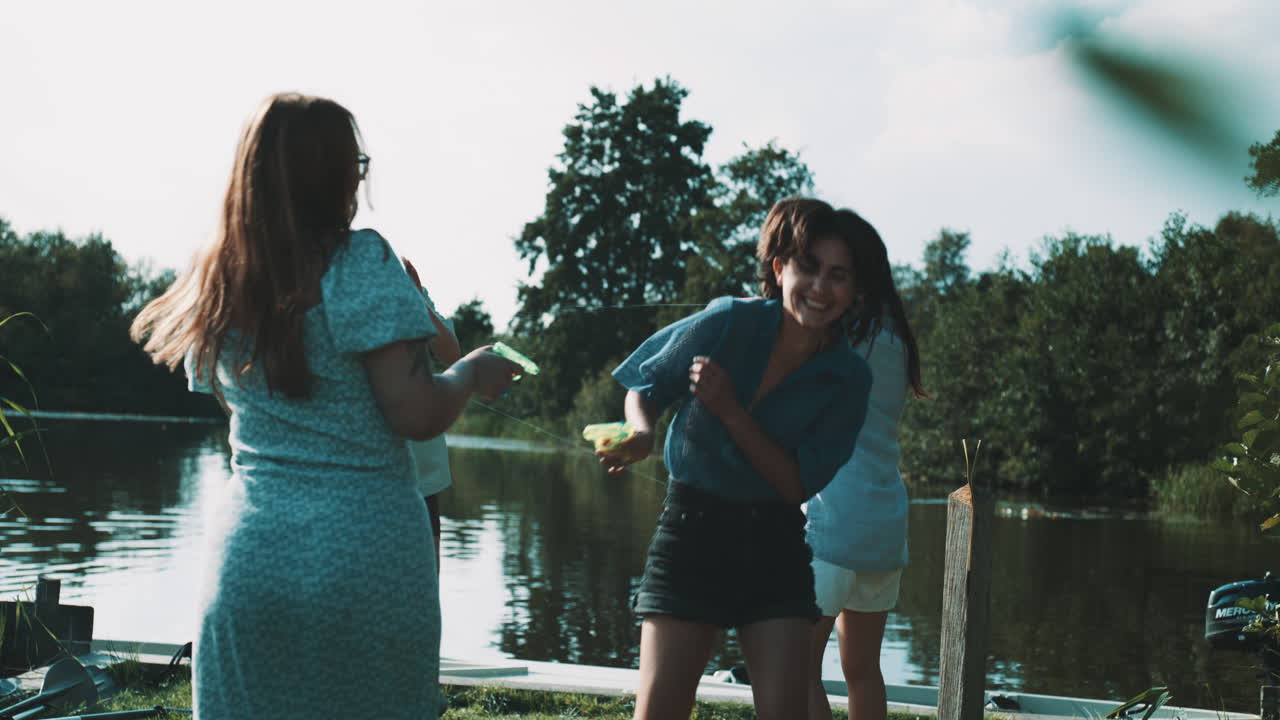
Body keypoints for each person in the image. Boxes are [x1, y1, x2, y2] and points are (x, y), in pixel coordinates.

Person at [129, 92, 519, 720]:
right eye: (356, 165)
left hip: (250, 560)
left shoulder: (226, 277)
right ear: (336, 176)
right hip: (367, 563)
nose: (360, 180)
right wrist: (470, 372)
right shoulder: (361, 261)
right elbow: (416, 413)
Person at [599, 197, 875, 720]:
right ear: (779, 268)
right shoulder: (728, 320)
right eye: (808, 267)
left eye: (838, 276)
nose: (820, 287)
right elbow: (646, 384)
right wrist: (640, 434)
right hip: (691, 530)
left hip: (775, 545)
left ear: (855, 290)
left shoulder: (849, 380)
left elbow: (794, 485)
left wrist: (730, 411)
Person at [803, 209, 927, 720]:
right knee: (864, 672)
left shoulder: (837, 339)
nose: (822, 282)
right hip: (883, 528)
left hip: (832, 524)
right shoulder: (896, 339)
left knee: (799, 670)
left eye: (835, 271)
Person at [403, 257, 461, 571]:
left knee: (428, 587)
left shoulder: (416, 294)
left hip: (424, 480)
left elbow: (452, 353)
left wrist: (416, 301)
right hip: (377, 478)